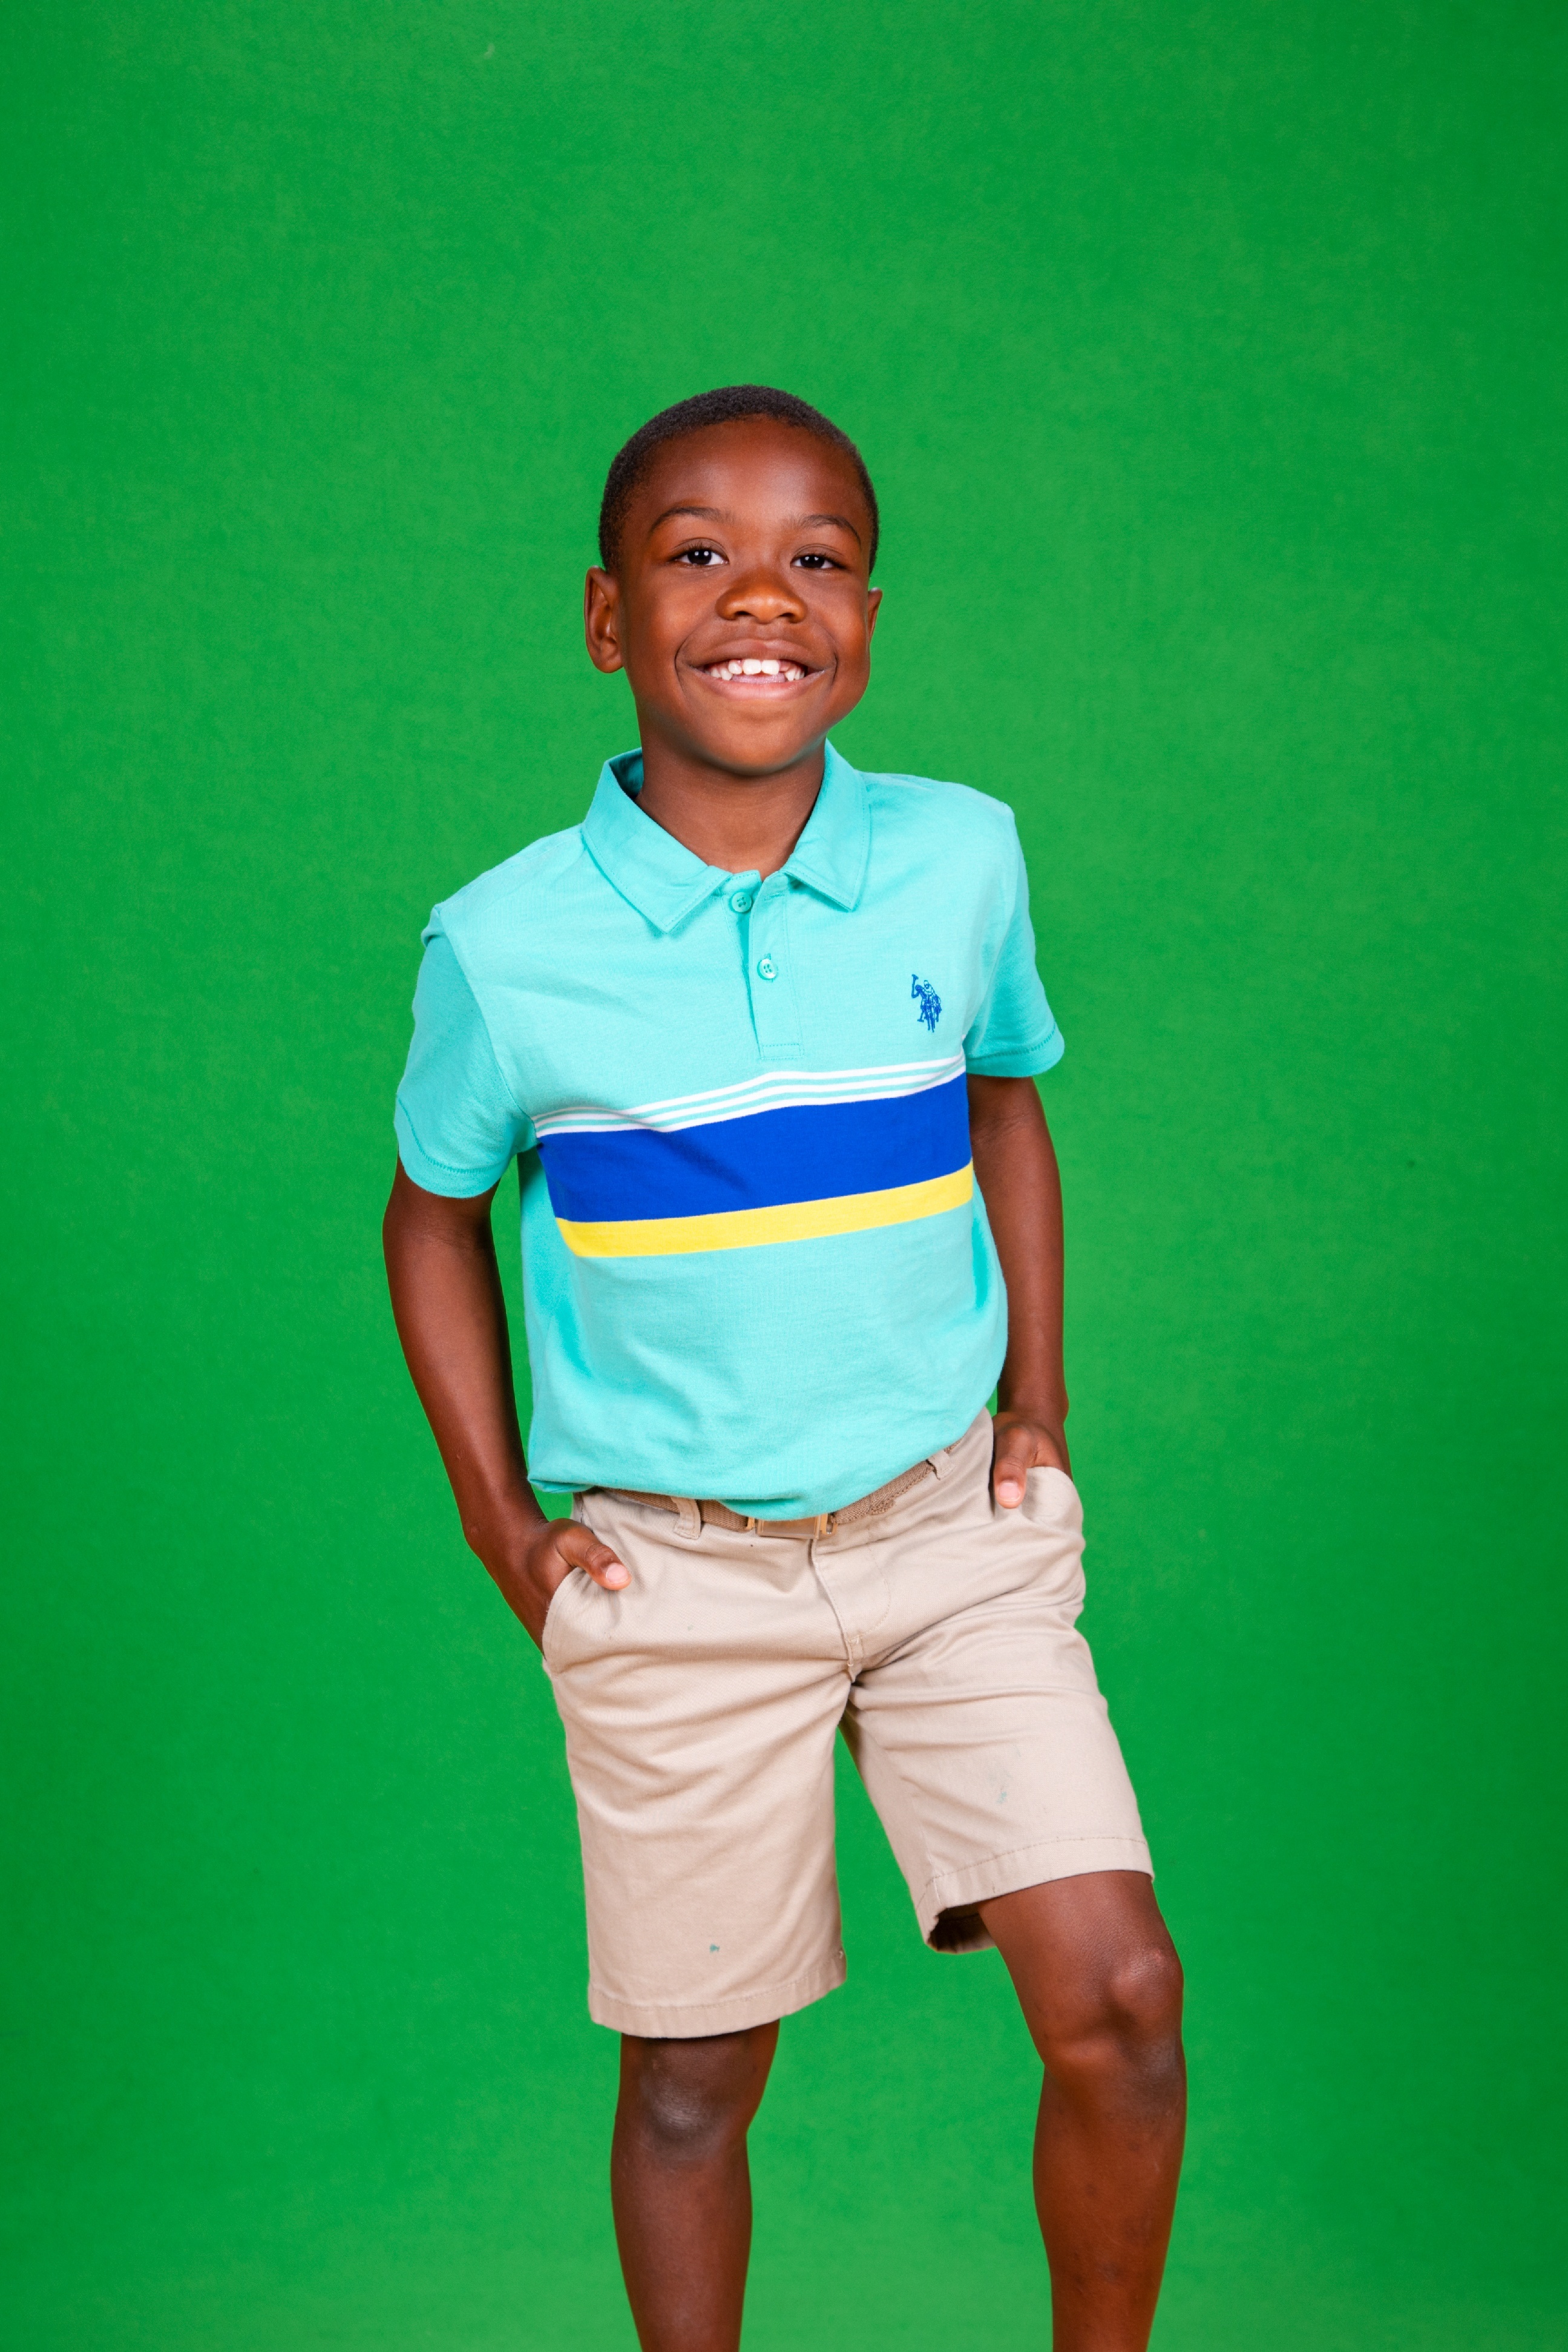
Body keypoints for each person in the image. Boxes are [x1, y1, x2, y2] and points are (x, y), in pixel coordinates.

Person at [382, 385, 1186, 2351]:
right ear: (608, 618)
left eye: (816, 559)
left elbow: (1003, 1101)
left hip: (946, 1530)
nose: (763, 597)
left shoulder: (959, 857)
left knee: (1124, 2001)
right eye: (698, 557)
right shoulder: (505, 945)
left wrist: (1040, 1400)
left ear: (869, 619)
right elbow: (431, 1216)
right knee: (691, 2085)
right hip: (680, 1571)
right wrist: (503, 1526)